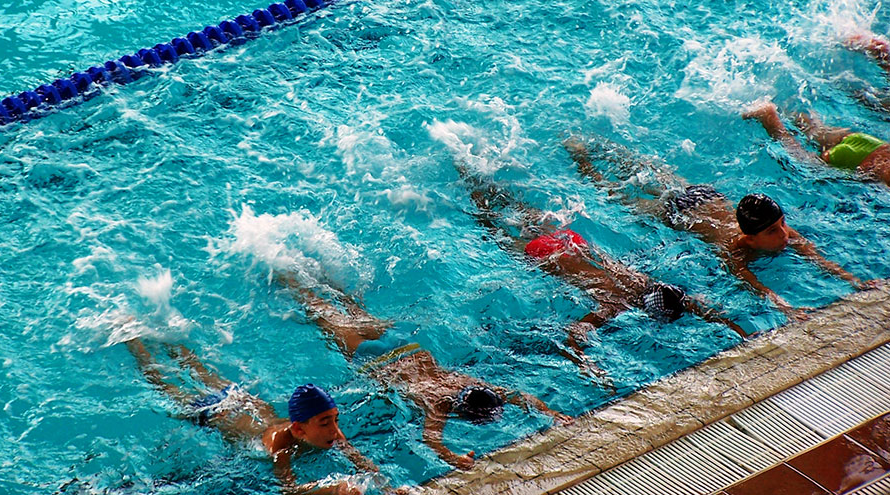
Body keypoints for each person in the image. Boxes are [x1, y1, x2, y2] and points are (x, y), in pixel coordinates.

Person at [453, 162, 747, 370]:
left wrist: (736, 328)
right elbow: (575, 333)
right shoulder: (616, 304)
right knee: (493, 224)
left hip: (572, 242)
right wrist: (588, 365)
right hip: (546, 257)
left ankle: (474, 173)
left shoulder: (645, 282)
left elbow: (693, 303)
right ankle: (471, 184)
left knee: (516, 212)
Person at [279, 277, 572, 470]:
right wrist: (454, 458)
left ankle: (313, 276)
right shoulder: (442, 402)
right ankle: (286, 281)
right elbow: (431, 440)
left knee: (351, 309)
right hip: (376, 359)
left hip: (403, 344)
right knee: (322, 315)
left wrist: (552, 413)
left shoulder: (465, 383)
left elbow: (515, 395)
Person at [564, 136, 872, 317]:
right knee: (621, 194)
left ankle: (602, 148)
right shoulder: (735, 249)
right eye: (771, 231)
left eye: (782, 224)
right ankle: (585, 159)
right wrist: (785, 307)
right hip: (680, 213)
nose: (782, 235)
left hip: (706, 195)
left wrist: (854, 281)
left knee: (653, 177)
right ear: (749, 240)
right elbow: (750, 282)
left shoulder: (779, 230)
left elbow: (814, 254)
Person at [125, 337, 391, 495]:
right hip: (213, 411)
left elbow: (362, 462)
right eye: (326, 422)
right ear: (299, 429)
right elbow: (287, 489)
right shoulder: (280, 445)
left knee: (195, 366)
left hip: (240, 399)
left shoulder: (330, 431)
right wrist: (329, 489)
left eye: (335, 419)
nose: (335, 430)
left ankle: (166, 338)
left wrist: (390, 489)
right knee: (163, 382)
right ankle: (135, 341)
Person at [742, 100, 890, 185]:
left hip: (869, 143)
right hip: (856, 160)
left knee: (816, 130)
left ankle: (783, 104)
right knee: (803, 161)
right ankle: (769, 118)